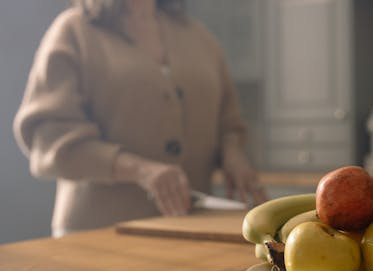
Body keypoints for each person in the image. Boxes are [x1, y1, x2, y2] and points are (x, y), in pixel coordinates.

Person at [13, 0, 267, 237]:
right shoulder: (74, 30)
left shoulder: (197, 34)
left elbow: (229, 122)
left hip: (192, 229)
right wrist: (140, 170)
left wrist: (233, 154)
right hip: (98, 233)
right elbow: (48, 135)